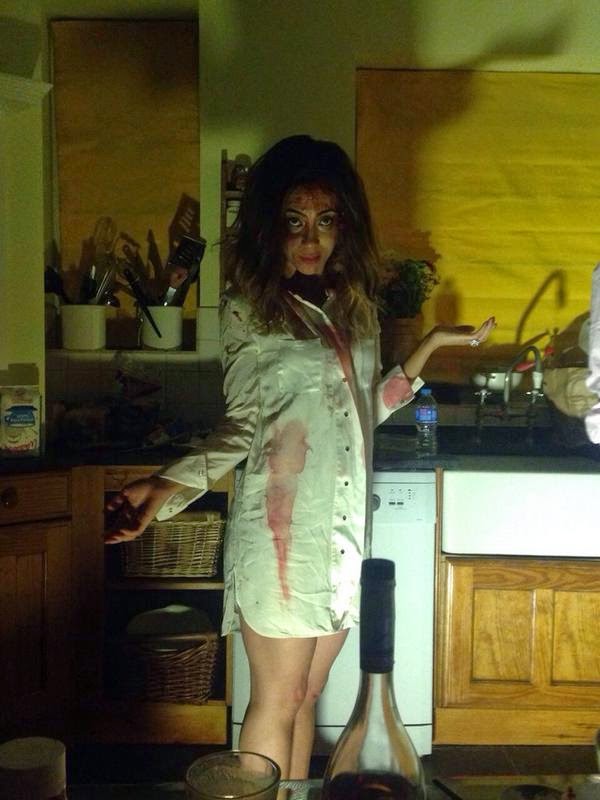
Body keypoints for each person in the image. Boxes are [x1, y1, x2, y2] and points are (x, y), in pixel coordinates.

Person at [105, 134, 495, 779]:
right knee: (278, 696)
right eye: (294, 221)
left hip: (342, 535)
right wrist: (169, 484)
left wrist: (427, 346)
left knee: (308, 694)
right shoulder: (251, 312)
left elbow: (362, 411)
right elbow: (243, 427)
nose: (311, 238)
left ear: (346, 224)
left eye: (326, 220)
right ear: (270, 226)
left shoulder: (354, 308)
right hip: (281, 537)